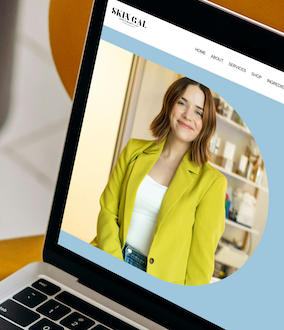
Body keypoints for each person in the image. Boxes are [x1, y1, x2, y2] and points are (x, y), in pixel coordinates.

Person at [94, 77, 227, 286]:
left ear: (206, 123)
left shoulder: (212, 183)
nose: (188, 115)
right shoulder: (133, 150)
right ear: (170, 104)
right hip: (109, 259)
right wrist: (115, 266)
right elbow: (108, 211)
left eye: (198, 112)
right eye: (182, 103)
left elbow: (200, 261)